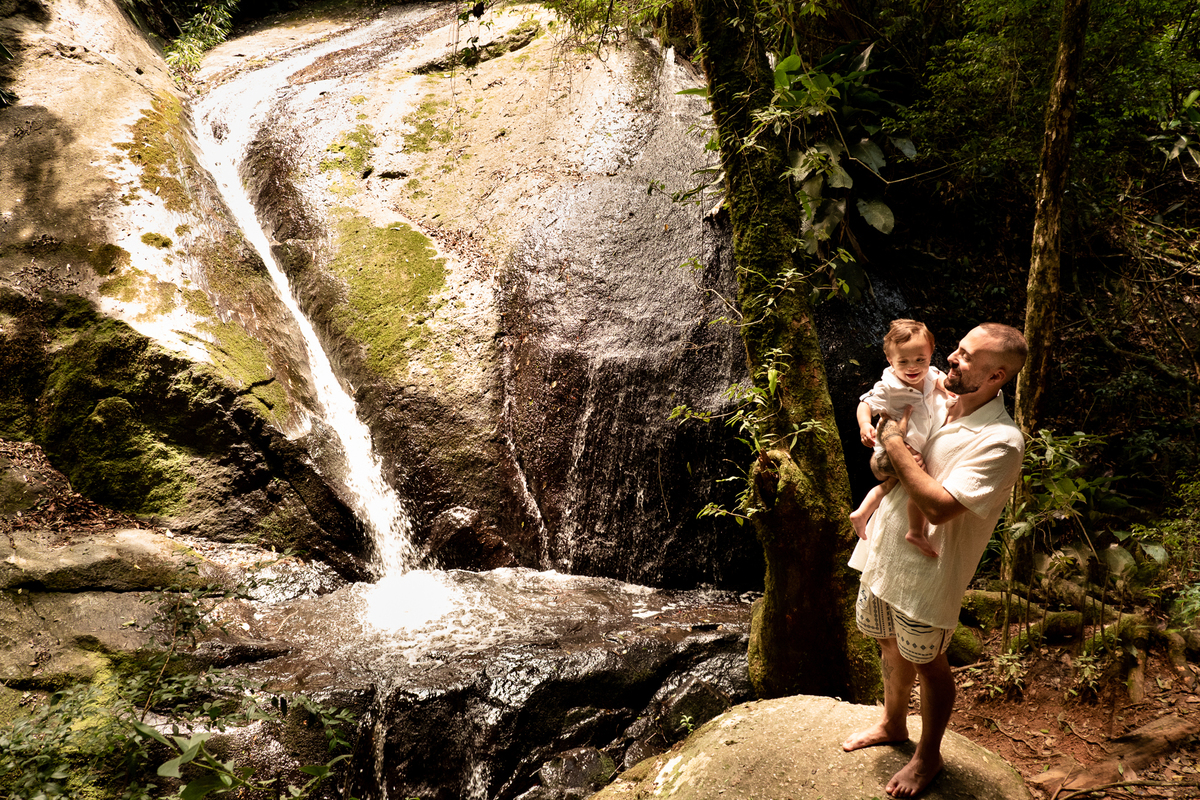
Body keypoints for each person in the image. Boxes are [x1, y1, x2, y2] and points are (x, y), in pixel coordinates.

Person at [842, 323, 1028, 798]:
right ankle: (892, 723)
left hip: (928, 576)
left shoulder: (1001, 440)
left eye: (965, 357)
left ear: (996, 376)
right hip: (883, 551)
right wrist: (881, 441)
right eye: (956, 350)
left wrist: (892, 440)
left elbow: (940, 505)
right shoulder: (934, 397)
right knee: (886, 642)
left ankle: (929, 757)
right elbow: (883, 466)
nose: (949, 359)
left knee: (930, 662)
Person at [850, 320, 953, 557]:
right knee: (921, 483)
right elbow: (865, 403)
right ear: (889, 360)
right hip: (893, 451)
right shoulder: (888, 387)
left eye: (920, 359)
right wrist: (865, 425)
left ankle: (862, 512)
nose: (913, 367)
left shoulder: (930, 375)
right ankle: (915, 531)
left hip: (906, 446)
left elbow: (938, 379)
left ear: (930, 353)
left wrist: (947, 388)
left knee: (890, 485)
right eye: (903, 362)